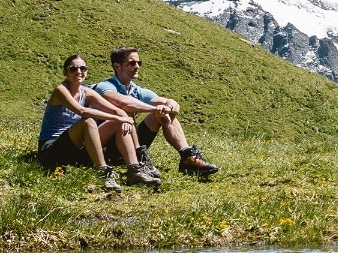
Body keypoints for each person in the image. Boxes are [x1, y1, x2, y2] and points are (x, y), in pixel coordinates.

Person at [89, 46, 221, 180]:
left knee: (163, 113)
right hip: (103, 145)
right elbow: (123, 103)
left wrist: (167, 108)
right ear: (117, 66)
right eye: (131, 63)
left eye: (138, 63)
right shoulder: (105, 86)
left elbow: (171, 103)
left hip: (128, 140)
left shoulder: (136, 90)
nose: (137, 67)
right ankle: (136, 162)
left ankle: (187, 157)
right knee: (126, 114)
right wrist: (154, 109)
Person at [33, 55, 147, 192]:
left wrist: (124, 116)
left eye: (82, 68)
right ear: (65, 72)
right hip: (51, 148)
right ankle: (103, 172)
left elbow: (115, 110)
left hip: (76, 147)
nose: (78, 71)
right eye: (73, 68)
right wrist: (117, 118)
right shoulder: (61, 90)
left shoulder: (87, 92)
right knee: (88, 122)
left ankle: (134, 169)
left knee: (118, 121)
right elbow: (82, 111)